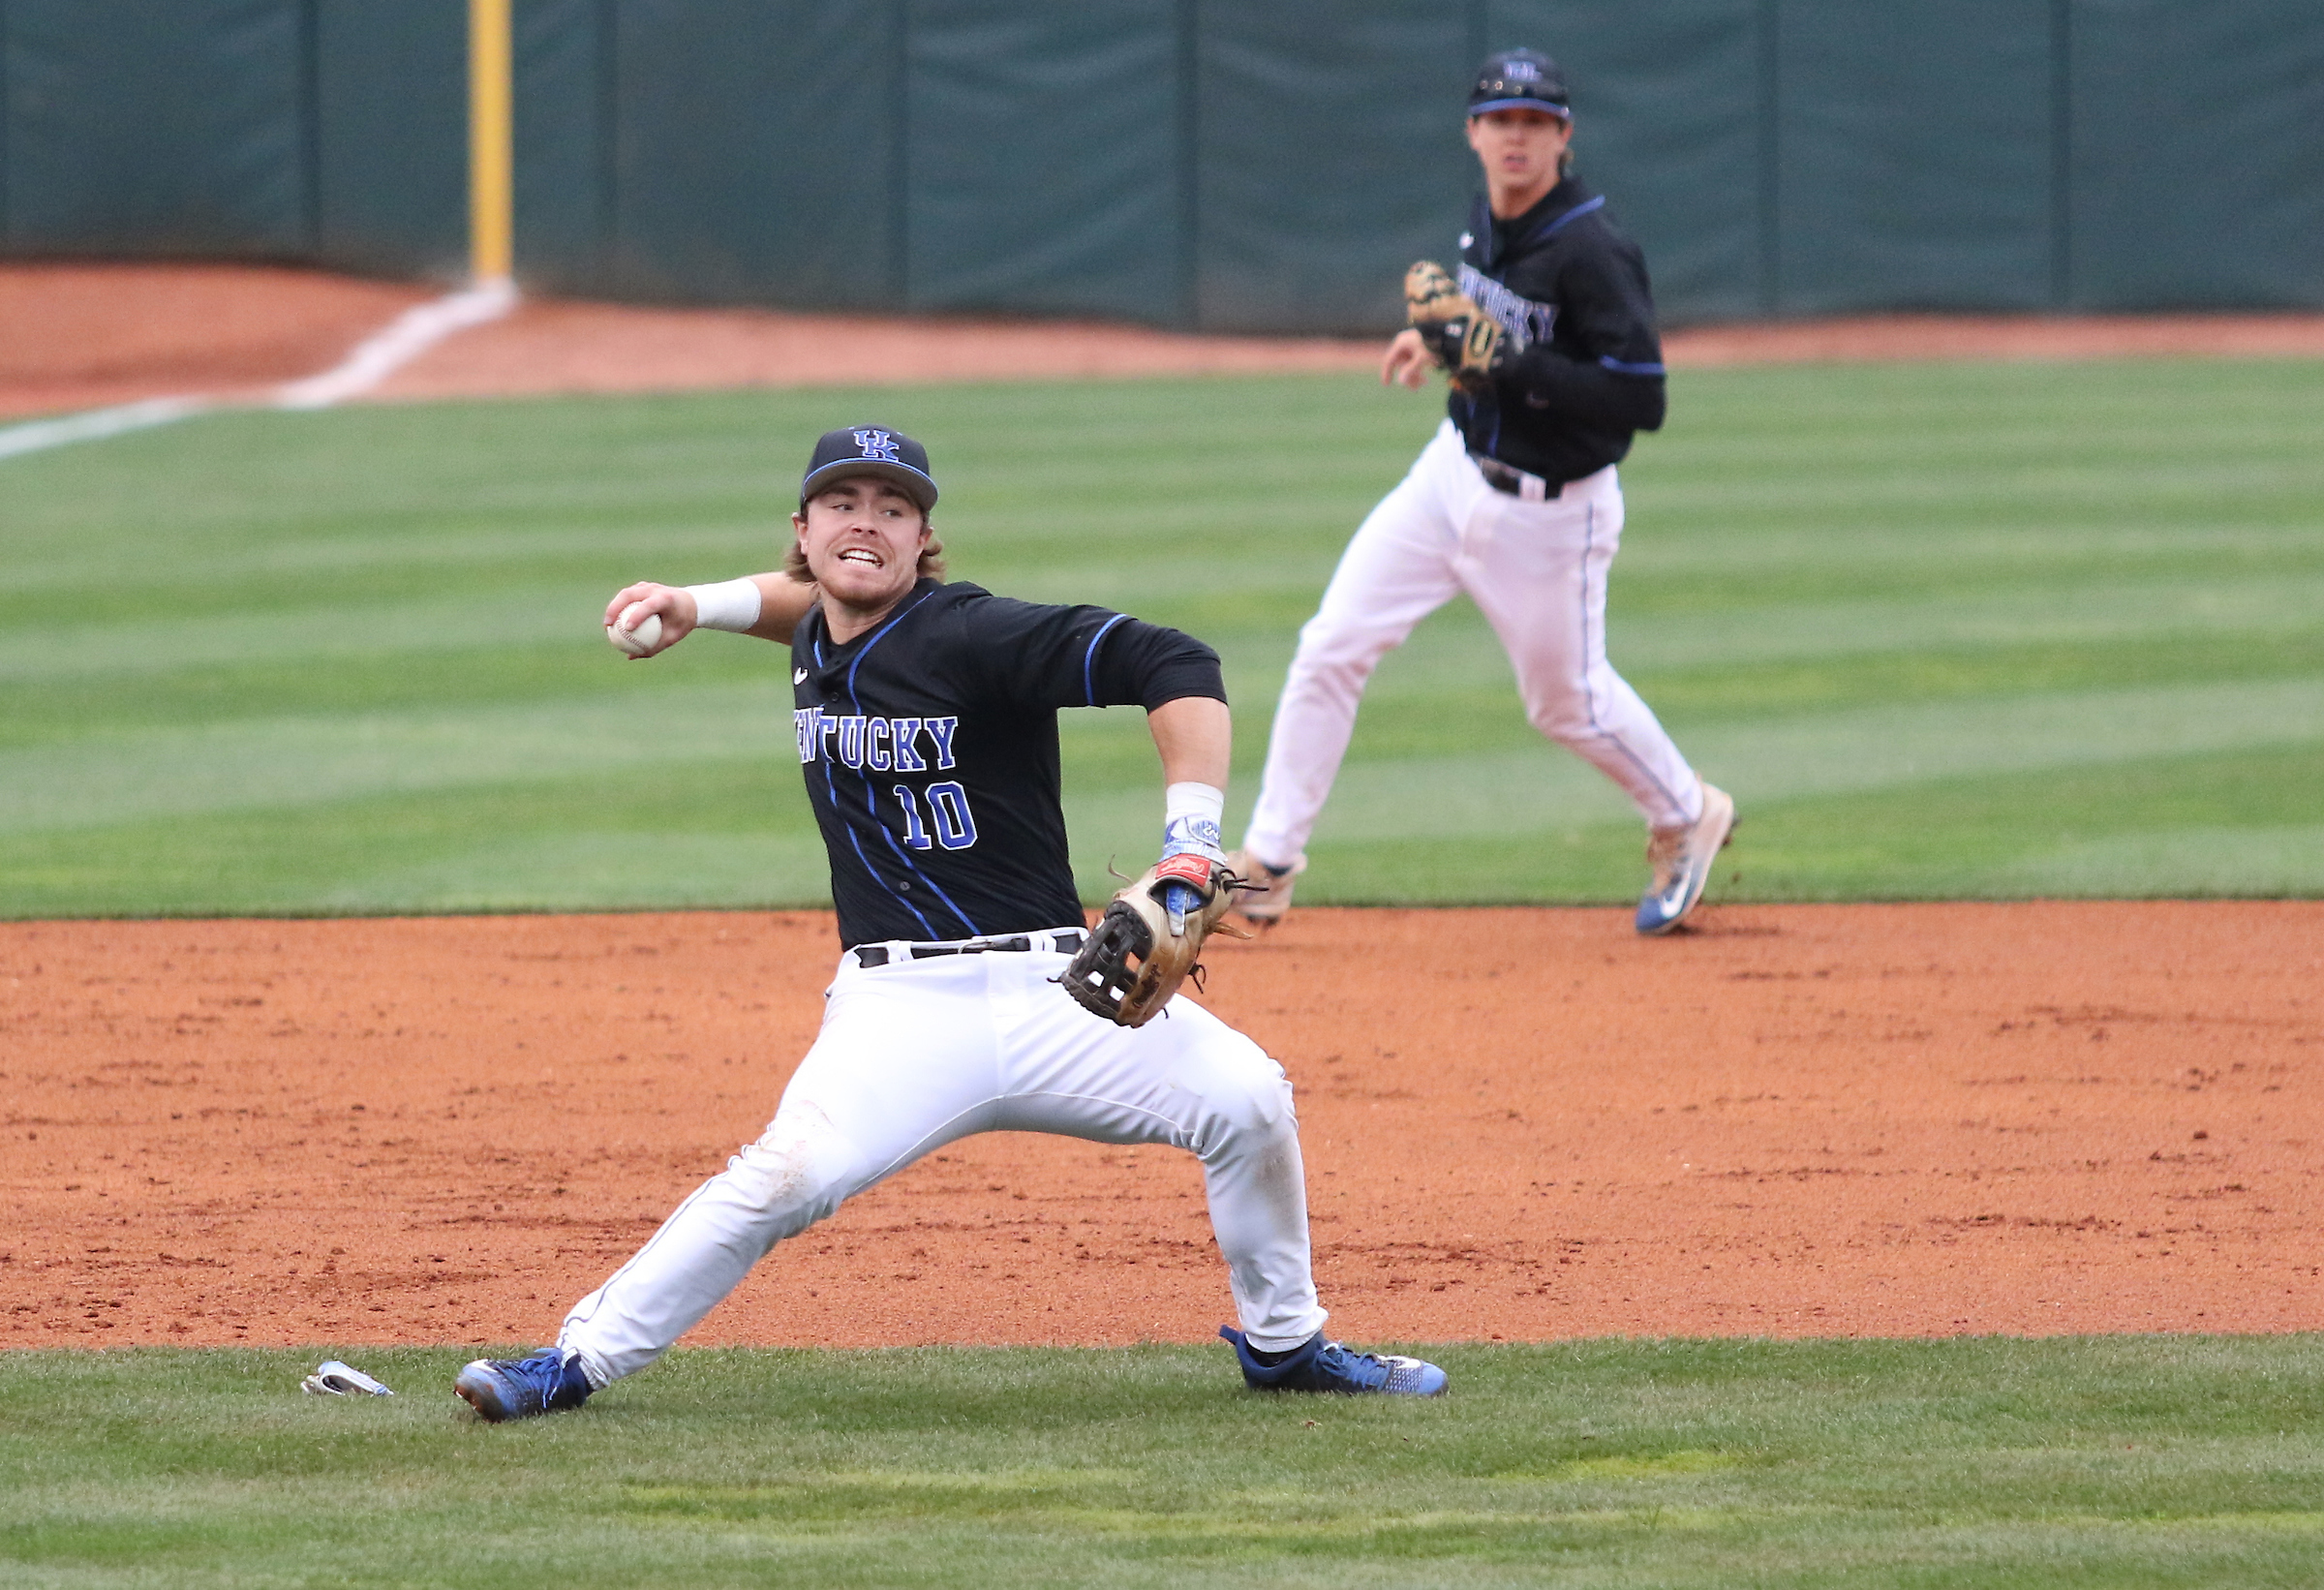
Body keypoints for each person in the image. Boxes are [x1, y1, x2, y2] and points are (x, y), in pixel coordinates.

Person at [452, 425, 1448, 1421]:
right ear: (804, 530)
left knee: (1248, 1099)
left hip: (1060, 995)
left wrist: (1192, 846)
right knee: (779, 1179)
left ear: (923, 539)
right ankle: (570, 1363)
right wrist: (694, 605)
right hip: (899, 1010)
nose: (867, 524)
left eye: (893, 510)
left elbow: (1174, 658)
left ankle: (1285, 1345)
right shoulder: (819, 627)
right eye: (845, 505)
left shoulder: (970, 633)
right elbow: (802, 605)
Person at [1230, 48, 1733, 937]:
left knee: (1565, 704)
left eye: (1536, 122)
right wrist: (1440, 345)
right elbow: (1483, 336)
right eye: (1501, 120)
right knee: (1333, 643)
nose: (1517, 136)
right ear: (1473, 132)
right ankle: (1269, 864)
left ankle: (1686, 811)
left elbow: (1639, 398)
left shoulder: (1593, 248)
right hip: (1449, 473)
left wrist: (1513, 364)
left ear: (1563, 137)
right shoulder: (1488, 218)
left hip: (1552, 515)